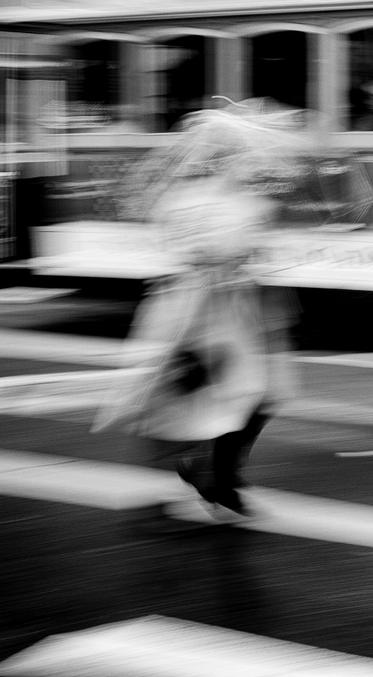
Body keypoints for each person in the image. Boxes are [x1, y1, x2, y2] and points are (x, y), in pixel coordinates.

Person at [95, 104, 328, 520]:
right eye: (237, 155)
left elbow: (174, 242)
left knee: (224, 395)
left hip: (184, 305)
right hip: (222, 310)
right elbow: (241, 252)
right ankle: (215, 474)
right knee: (250, 394)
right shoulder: (245, 204)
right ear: (225, 159)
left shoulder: (181, 198)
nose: (246, 161)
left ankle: (210, 470)